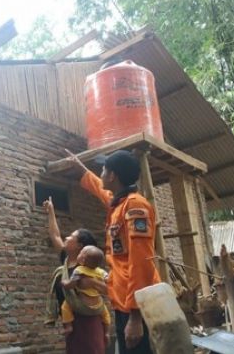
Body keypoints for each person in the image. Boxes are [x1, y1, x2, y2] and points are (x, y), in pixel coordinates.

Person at [66, 149, 161, 354]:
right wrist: (80, 168)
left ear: (112, 176)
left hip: (137, 305)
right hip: (122, 300)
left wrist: (135, 316)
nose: (100, 173)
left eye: (103, 169)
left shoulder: (135, 206)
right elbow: (100, 189)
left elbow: (141, 260)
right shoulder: (118, 203)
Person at [43, 197, 108, 354]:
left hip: (89, 319)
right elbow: (55, 236)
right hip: (70, 320)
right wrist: (51, 210)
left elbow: (107, 290)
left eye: (71, 237)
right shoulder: (66, 261)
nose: (66, 238)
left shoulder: (87, 268)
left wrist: (91, 282)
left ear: (80, 246)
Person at [60, 245, 111, 345]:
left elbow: (71, 285)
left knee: (65, 306)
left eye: (81, 252)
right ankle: (107, 332)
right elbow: (109, 281)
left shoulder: (79, 271)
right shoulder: (101, 272)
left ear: (82, 260)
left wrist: (64, 283)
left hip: (82, 306)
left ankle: (68, 326)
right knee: (106, 315)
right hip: (98, 307)